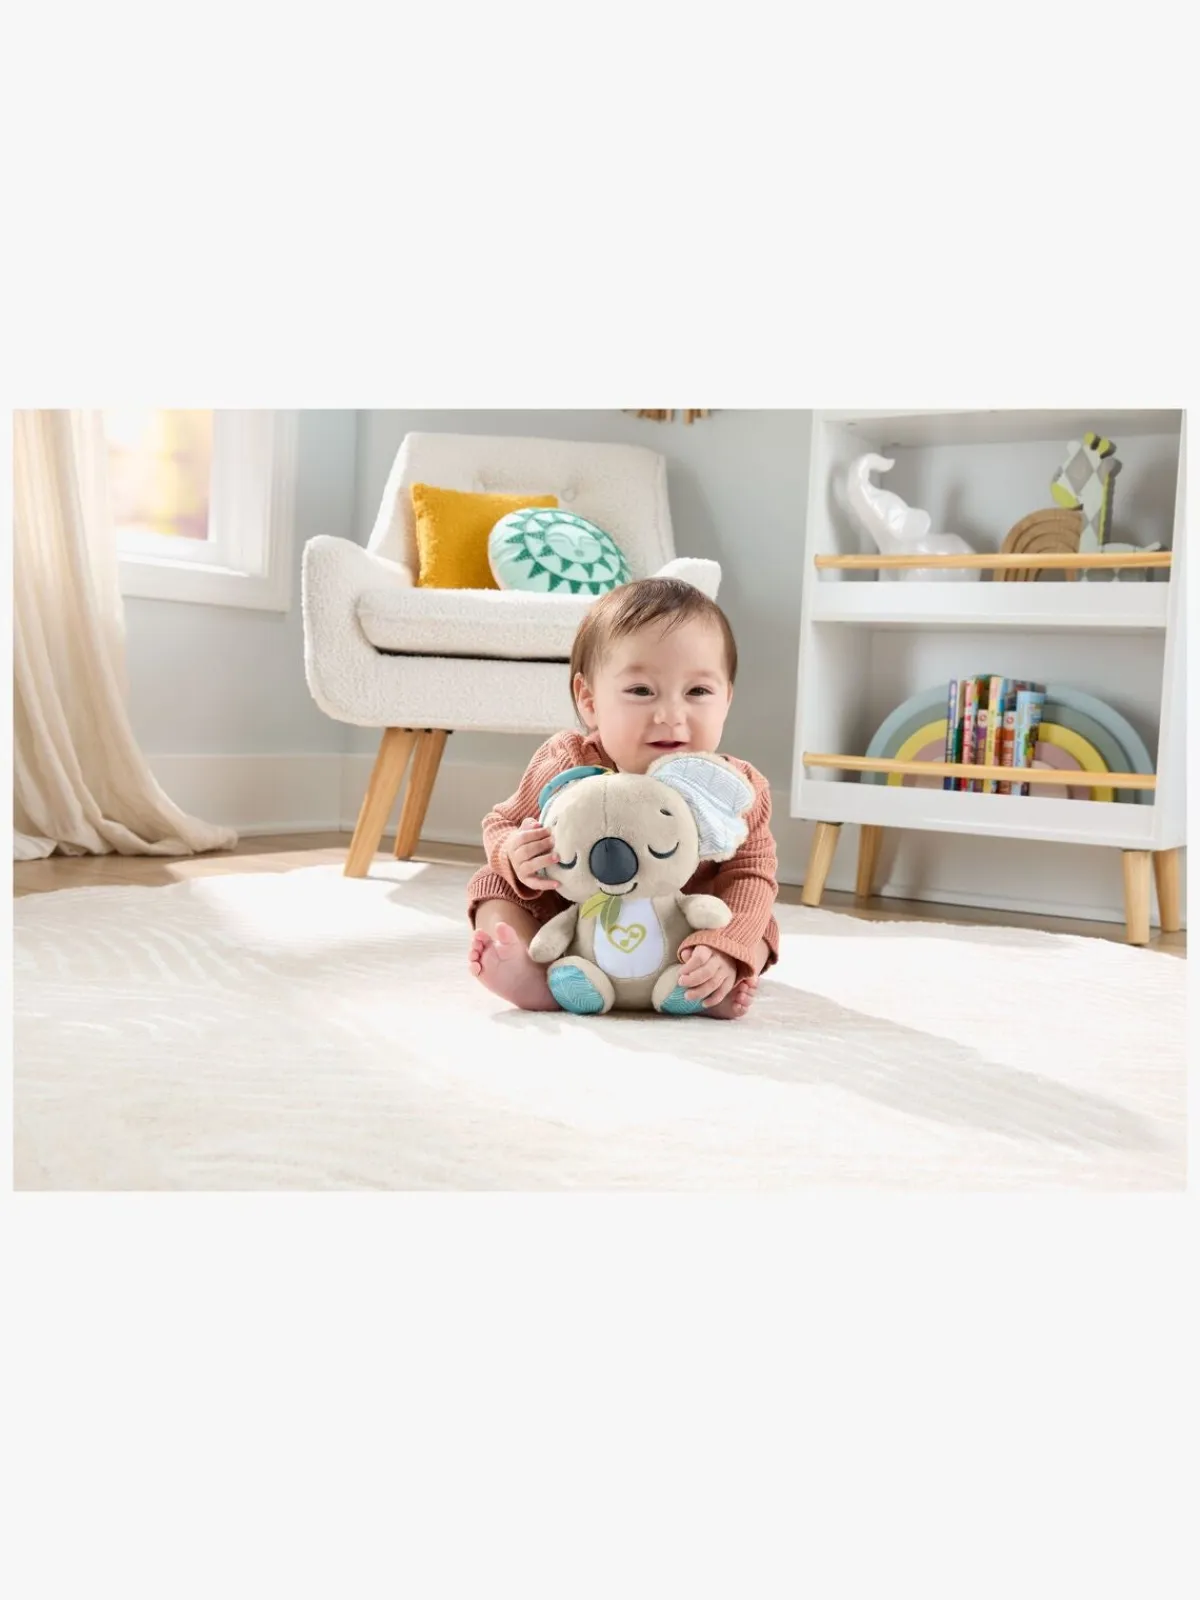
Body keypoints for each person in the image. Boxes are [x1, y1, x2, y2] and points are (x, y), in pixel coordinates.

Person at [467, 577, 779, 1019]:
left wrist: (728, 946)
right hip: (574, 927)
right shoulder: (569, 762)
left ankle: (711, 977)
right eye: (641, 691)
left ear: (726, 700)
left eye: (698, 692)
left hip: (683, 931)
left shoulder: (734, 789)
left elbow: (752, 874)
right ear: (590, 701)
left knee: (756, 922)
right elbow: (501, 823)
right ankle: (531, 971)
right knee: (494, 885)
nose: (670, 715)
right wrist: (514, 854)